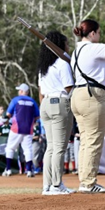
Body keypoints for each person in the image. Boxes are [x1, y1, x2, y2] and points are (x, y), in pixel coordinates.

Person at [70, 18, 105, 194]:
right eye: (99, 33)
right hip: (91, 95)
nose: (100, 36)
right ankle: (88, 182)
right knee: (93, 140)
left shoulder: (76, 51)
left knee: (86, 141)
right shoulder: (93, 48)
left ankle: (85, 179)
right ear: (92, 33)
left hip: (79, 94)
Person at [34, 31, 76, 195]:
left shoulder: (43, 67)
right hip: (59, 102)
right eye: (66, 43)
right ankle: (57, 185)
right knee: (59, 147)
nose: (68, 46)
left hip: (45, 104)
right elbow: (69, 88)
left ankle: (48, 184)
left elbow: (40, 91)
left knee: (51, 147)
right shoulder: (62, 64)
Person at [5, 83, 40, 178]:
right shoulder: (33, 101)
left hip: (16, 128)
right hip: (28, 128)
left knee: (10, 148)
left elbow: (8, 113)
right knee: (28, 149)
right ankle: (29, 170)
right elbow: (37, 116)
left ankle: (8, 169)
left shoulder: (15, 100)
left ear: (21, 91)